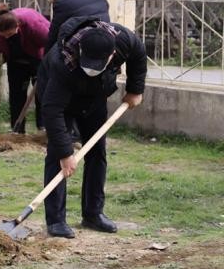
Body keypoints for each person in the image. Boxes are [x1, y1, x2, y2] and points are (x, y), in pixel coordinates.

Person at [36, 17, 146, 238]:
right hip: (60, 102)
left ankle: (93, 214)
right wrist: (66, 153)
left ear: (112, 55)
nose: (90, 69)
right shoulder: (63, 62)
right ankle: (56, 220)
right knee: (57, 155)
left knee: (97, 152)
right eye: (88, 63)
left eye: (97, 65)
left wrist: (135, 89)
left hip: (95, 98)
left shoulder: (123, 41)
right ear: (80, 49)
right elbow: (52, 110)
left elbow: (139, 53)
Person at [0, 7, 50, 133]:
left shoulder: (32, 23)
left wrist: (47, 65)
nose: (7, 37)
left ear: (18, 26)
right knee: (16, 94)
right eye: (4, 36)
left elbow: (51, 40)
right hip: (15, 62)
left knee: (42, 93)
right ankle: (17, 129)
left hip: (38, 58)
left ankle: (43, 127)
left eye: (10, 35)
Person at [46, 0, 110, 52]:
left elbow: (53, 37)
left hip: (80, 51)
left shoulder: (62, 3)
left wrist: (45, 60)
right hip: (105, 46)